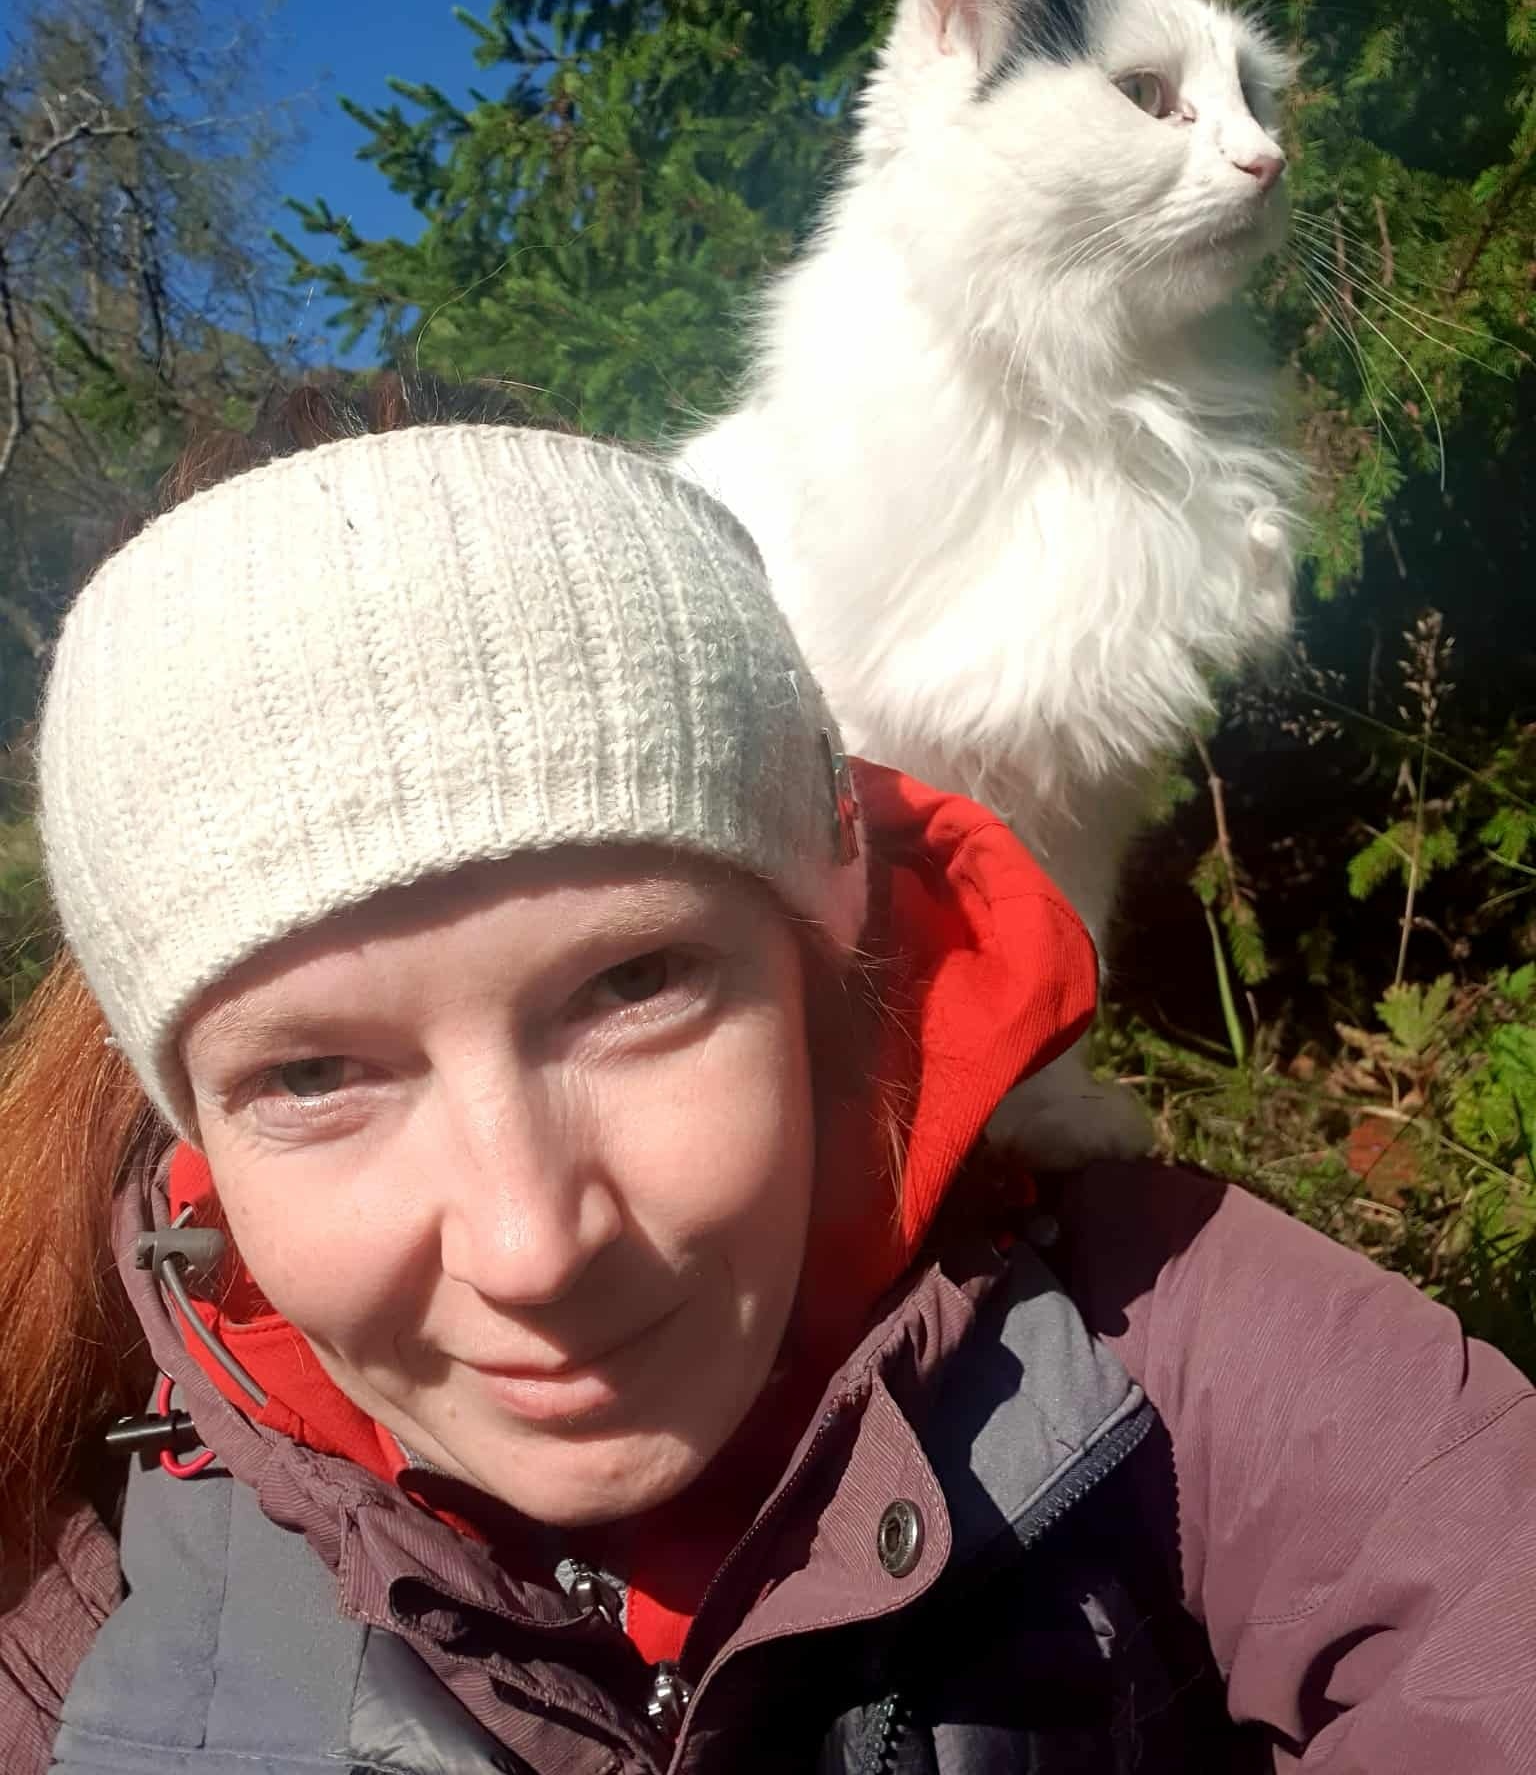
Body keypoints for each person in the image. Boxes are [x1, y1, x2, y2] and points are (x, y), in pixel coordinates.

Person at [1, 378, 1533, 1775]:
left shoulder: (1151, 1334)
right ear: (186, 1121)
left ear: (819, 943)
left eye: (630, 986)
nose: (534, 1247)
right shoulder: (74, 1597)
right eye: (316, 1074)